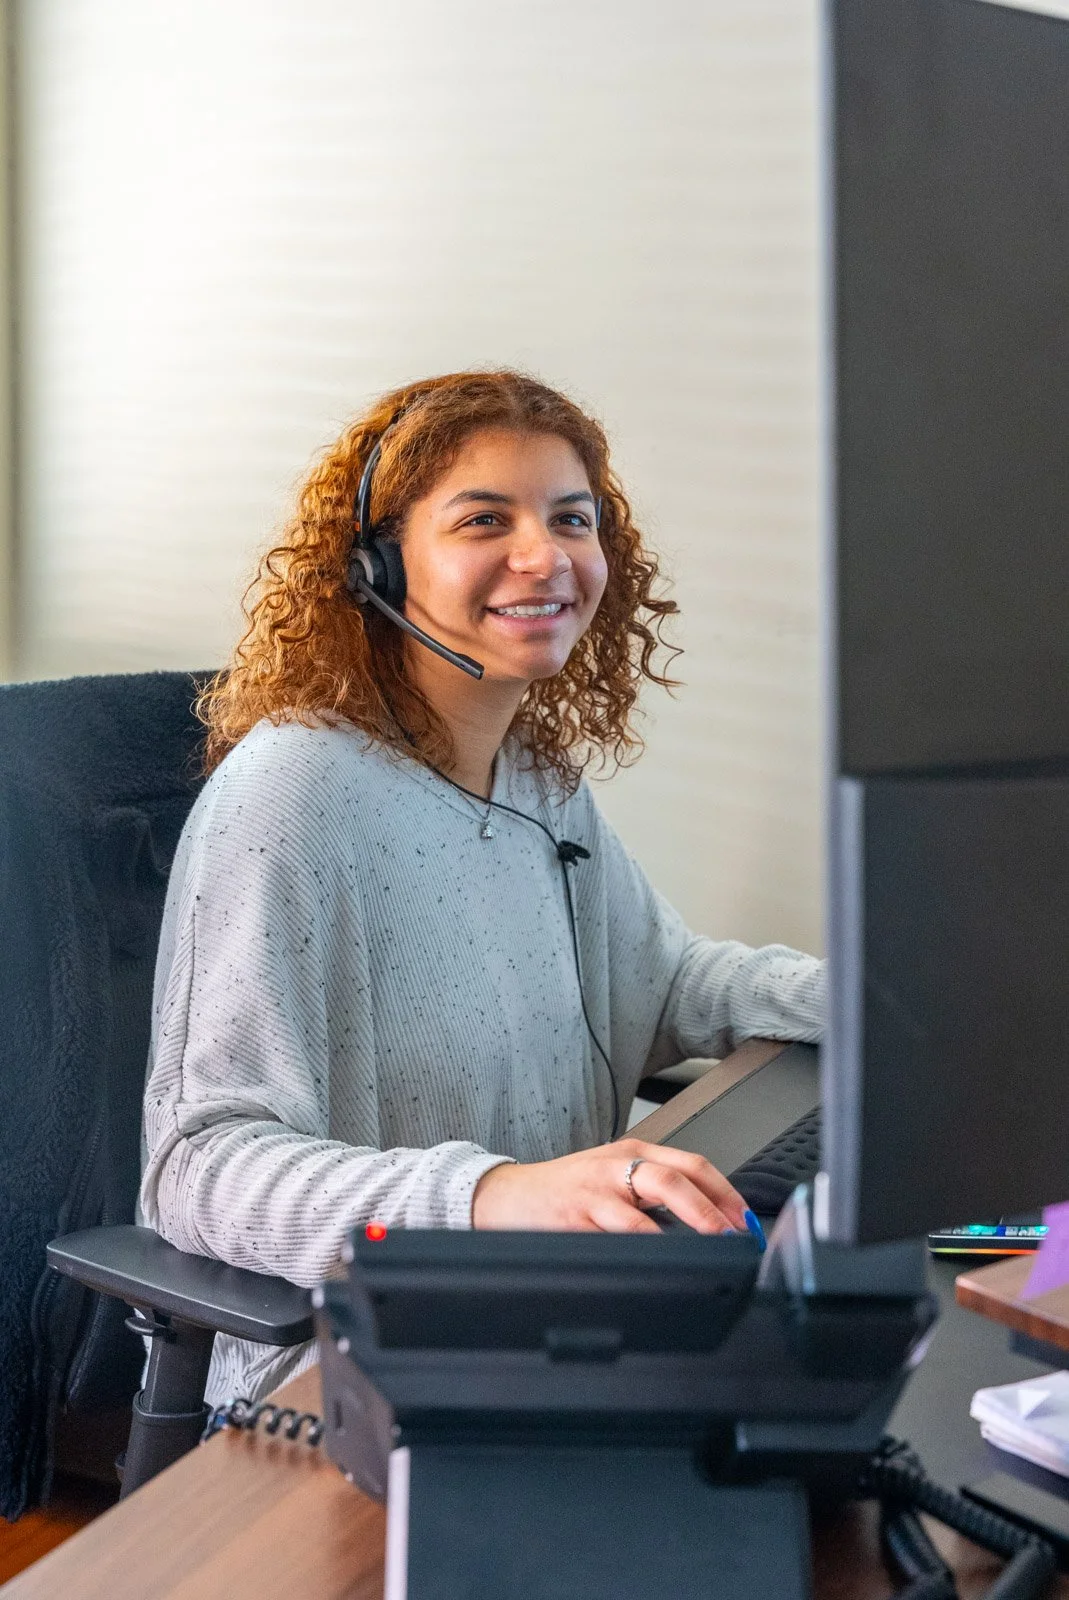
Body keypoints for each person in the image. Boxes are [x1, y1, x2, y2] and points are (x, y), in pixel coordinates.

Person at [140, 369, 825, 1403]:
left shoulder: (534, 781)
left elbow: (665, 983)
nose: (544, 555)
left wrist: (880, 995)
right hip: (349, 1380)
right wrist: (492, 1194)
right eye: (483, 519)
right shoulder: (292, 791)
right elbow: (199, 1172)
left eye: (571, 518)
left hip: (553, 1323)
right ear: (375, 566)